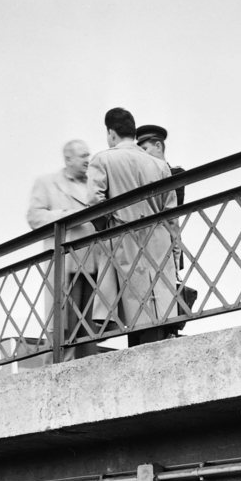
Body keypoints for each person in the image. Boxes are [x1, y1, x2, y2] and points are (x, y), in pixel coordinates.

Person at [86, 107, 180, 346]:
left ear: (111, 133)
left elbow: (94, 203)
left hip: (126, 239)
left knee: (135, 318)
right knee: (161, 313)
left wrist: (109, 224)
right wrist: (176, 255)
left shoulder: (103, 159)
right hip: (159, 243)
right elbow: (171, 215)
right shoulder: (159, 166)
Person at [27, 140, 103, 358]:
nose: (88, 160)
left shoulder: (93, 183)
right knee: (63, 335)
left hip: (93, 266)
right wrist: (68, 215)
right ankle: (54, 384)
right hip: (65, 267)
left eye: (88, 155)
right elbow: (34, 217)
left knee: (90, 335)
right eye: (82, 156)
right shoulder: (47, 183)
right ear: (68, 159)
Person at [135, 123, 195, 334]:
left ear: (158, 146)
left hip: (166, 250)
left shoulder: (175, 173)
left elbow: (172, 212)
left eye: (145, 149)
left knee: (166, 308)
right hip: (144, 252)